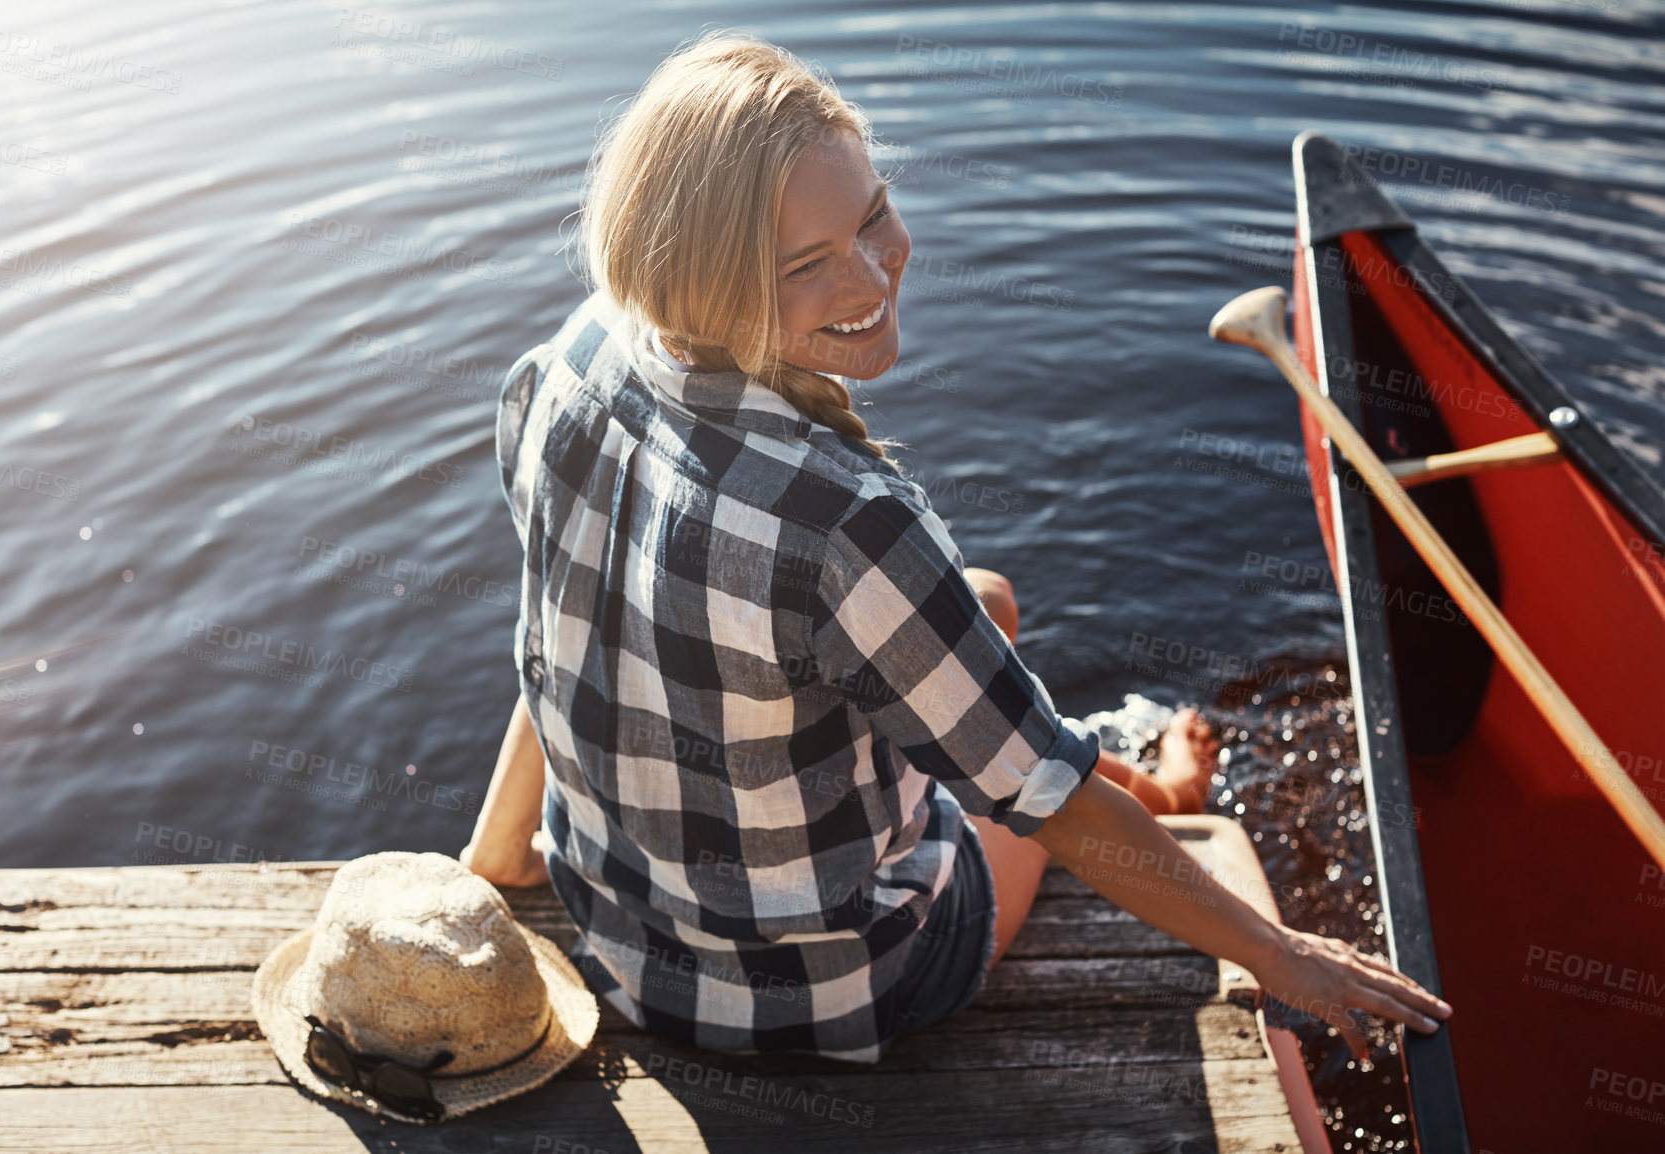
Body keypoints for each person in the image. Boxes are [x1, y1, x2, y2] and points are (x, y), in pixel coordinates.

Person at [461, 29, 1450, 1065]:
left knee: (986, 604)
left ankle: (1132, 772)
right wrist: (1280, 952)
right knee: (1040, 762)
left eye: (874, 214)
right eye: (805, 265)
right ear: (709, 284)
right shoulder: (847, 522)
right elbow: (1055, 810)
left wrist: (495, 859)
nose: (870, 274)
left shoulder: (563, 367)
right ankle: (1170, 789)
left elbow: (562, 629)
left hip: (623, 942)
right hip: (832, 994)